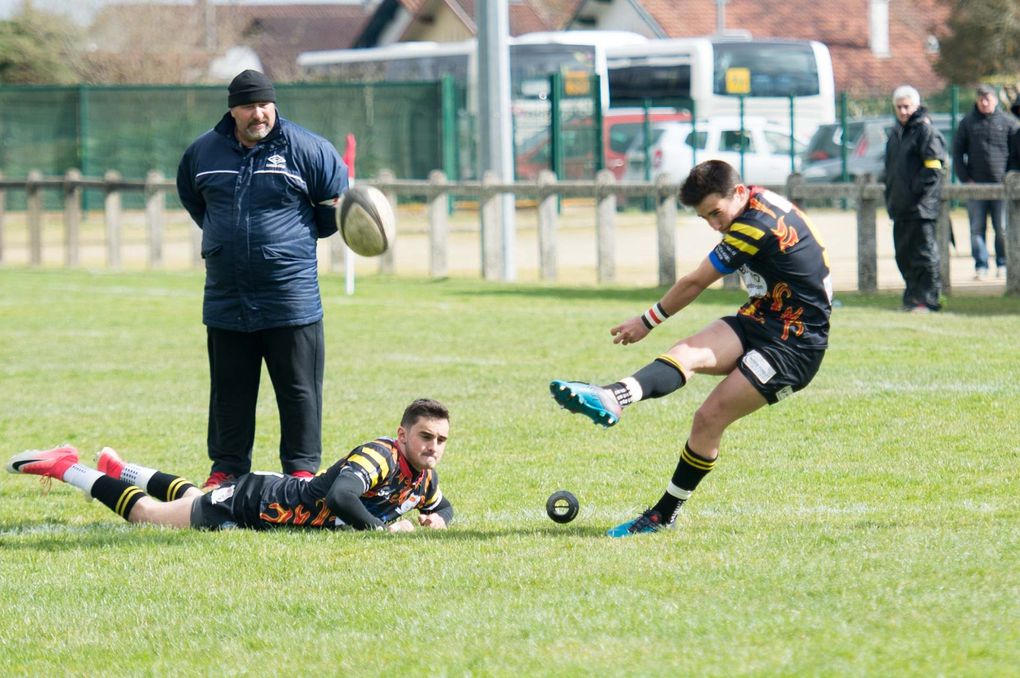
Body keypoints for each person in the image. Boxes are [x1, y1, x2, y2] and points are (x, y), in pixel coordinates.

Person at [549, 160, 832, 537]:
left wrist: (645, 321)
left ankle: (663, 515)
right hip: (763, 317)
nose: (715, 225)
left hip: (795, 345)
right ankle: (612, 397)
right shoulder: (755, 201)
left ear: (738, 192)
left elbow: (696, 281)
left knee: (709, 418)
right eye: (705, 218)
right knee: (685, 353)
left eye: (716, 213)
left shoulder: (754, 225)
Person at [176, 70, 349, 489]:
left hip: (290, 295)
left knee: (299, 391)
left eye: (265, 105)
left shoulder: (308, 149)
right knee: (229, 392)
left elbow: (335, 208)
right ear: (232, 109)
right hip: (226, 296)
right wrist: (228, 242)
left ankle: (302, 471)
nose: (259, 114)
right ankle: (226, 469)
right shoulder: (203, 153)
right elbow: (195, 202)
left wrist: (283, 244)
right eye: (249, 106)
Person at [6, 399, 453, 533]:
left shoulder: (422, 477)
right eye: (425, 437)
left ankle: (123, 469)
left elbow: (443, 506)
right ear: (402, 435)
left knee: (190, 498)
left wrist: (438, 519)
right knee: (148, 516)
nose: (433, 447)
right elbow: (340, 497)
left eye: (440, 441)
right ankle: (67, 467)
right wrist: (381, 531)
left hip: (262, 495)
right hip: (250, 504)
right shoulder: (381, 455)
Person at [883, 85, 947, 312]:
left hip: (921, 207)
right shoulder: (895, 134)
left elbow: (934, 167)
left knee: (924, 254)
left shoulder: (925, 132)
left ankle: (928, 299)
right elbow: (891, 170)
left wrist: (914, 192)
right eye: (899, 107)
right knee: (904, 255)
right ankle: (912, 298)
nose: (903, 111)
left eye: (907, 106)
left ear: (916, 106)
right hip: (899, 207)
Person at [952, 84, 1020, 280]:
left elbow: (1015, 154)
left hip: (1002, 187)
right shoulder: (967, 123)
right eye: (981, 98)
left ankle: (1003, 263)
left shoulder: (1009, 122)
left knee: (1002, 229)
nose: (984, 102)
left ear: (995, 99)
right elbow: (957, 153)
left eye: (987, 98)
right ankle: (980, 265)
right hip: (977, 187)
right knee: (976, 229)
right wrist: (966, 179)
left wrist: (1010, 179)